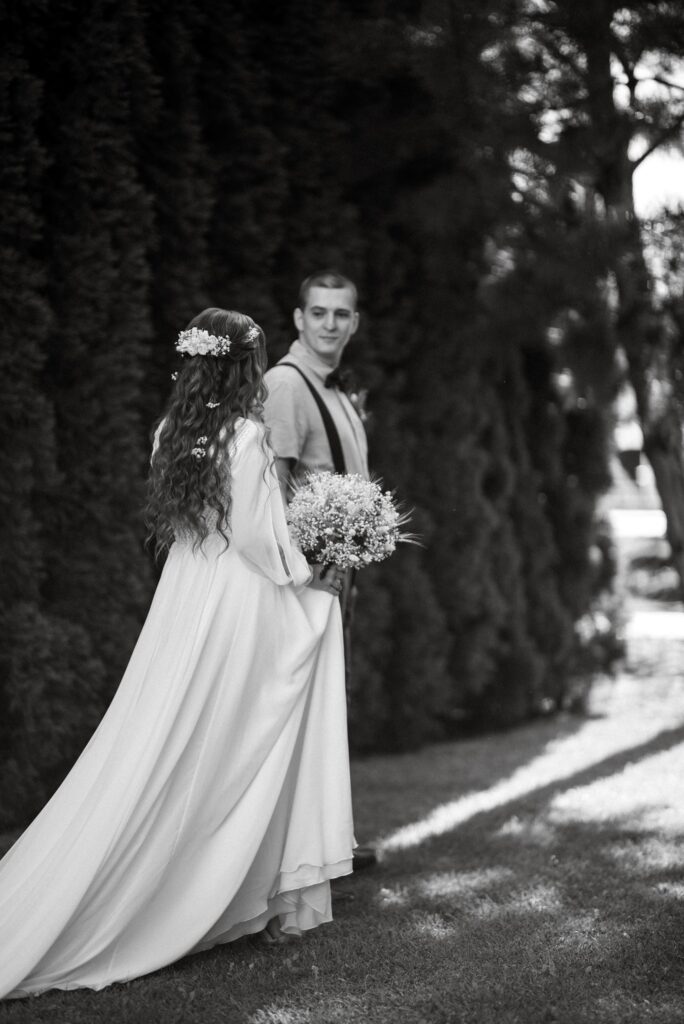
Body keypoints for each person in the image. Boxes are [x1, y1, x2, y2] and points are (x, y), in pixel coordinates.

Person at [0, 308, 354, 1000]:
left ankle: (223, 880)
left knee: (175, 730)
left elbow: (197, 523)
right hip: (240, 598)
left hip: (187, 594)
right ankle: (222, 883)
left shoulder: (171, 430)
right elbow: (257, 536)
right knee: (240, 734)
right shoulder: (248, 436)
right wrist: (307, 576)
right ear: (244, 366)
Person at [263, 269, 377, 873]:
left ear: (354, 321)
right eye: (319, 312)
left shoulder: (334, 388)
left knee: (330, 704)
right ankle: (290, 857)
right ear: (299, 318)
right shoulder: (285, 384)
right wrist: (303, 571)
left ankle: (326, 845)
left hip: (339, 571)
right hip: (307, 576)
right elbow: (271, 486)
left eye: (342, 313)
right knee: (301, 708)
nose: (331, 323)